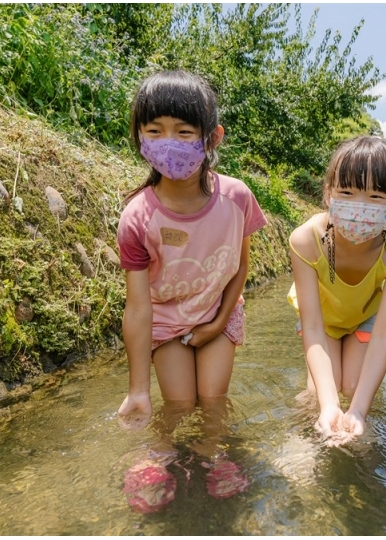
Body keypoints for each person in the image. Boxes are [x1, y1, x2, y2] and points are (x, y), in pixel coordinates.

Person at [115, 70, 267, 510]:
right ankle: (159, 453)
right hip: (166, 320)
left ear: (211, 137)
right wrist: (137, 388)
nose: (170, 142)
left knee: (212, 398)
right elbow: (139, 309)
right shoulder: (138, 218)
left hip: (217, 314)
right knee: (178, 403)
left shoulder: (237, 197)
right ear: (139, 138)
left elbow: (241, 266)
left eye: (184, 132)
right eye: (155, 130)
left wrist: (218, 322)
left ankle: (210, 452)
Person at [287, 136, 386, 446]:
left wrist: (358, 410)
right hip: (323, 321)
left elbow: (385, 334)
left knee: (354, 388)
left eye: (375, 196)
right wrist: (329, 405)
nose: (360, 207)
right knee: (316, 396)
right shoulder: (305, 240)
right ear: (329, 194)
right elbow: (314, 327)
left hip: (364, 318)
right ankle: (299, 442)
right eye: (347, 193)